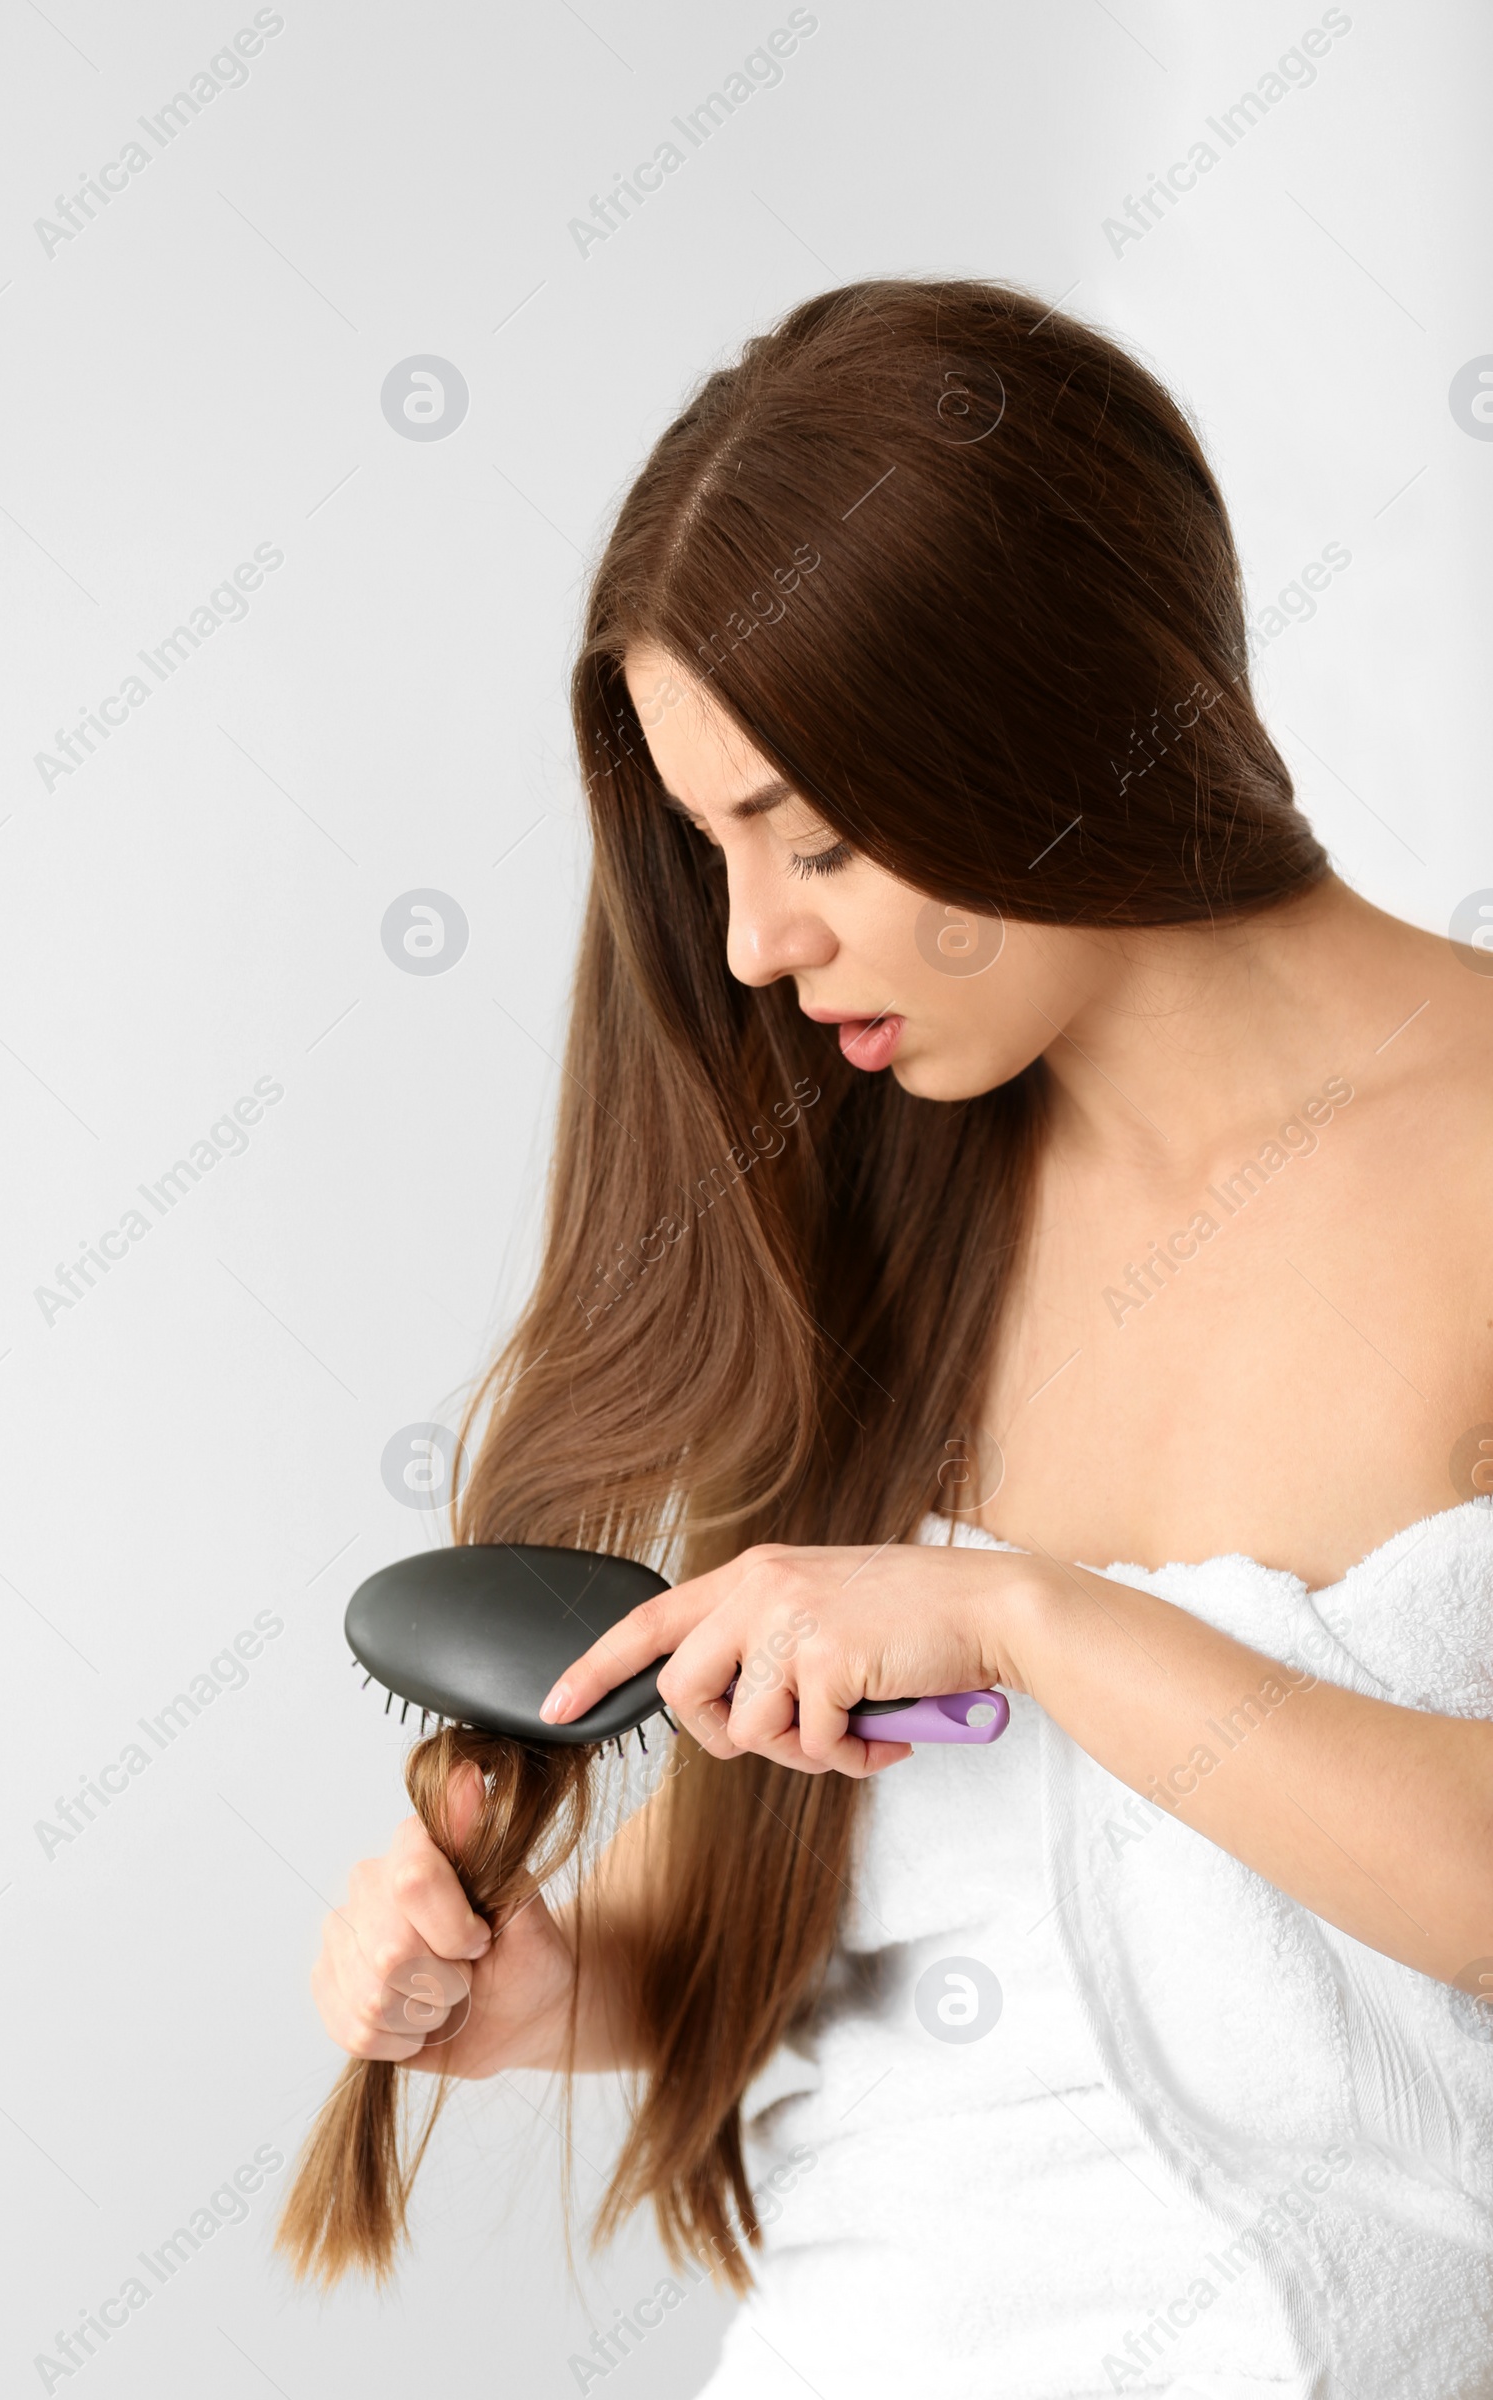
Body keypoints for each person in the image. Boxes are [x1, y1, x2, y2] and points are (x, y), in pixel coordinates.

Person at [311, 280, 1493, 2396]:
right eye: (712, 851)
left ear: (1046, 724)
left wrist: (1029, 1627)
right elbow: (830, 1920)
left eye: (817, 840)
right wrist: (552, 1989)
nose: (755, 945)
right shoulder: (888, 1208)